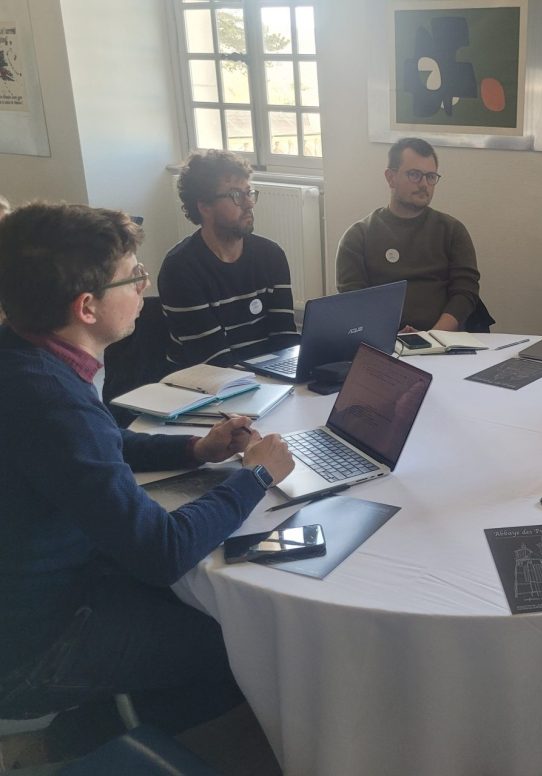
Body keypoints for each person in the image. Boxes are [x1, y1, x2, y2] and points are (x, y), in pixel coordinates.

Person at [0, 203, 295, 752]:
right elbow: (162, 551)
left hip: (45, 593)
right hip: (36, 644)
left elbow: (96, 443)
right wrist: (254, 475)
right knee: (242, 646)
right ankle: (61, 743)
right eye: (133, 275)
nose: (144, 285)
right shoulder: (51, 401)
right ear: (87, 306)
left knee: (208, 606)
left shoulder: (23, 354)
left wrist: (195, 448)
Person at [159, 150, 298, 367]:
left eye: (249, 192)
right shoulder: (180, 269)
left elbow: (285, 338)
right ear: (205, 206)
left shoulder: (271, 255)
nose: (249, 203)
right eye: (236, 195)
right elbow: (214, 361)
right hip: (200, 383)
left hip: (264, 377)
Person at [337, 137, 480, 332]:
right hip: (381, 341)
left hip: (442, 339)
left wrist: (432, 337)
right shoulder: (358, 237)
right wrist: (389, 336)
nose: (424, 184)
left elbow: (465, 292)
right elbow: (353, 301)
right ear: (391, 177)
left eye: (431, 176)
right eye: (414, 175)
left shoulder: (452, 231)